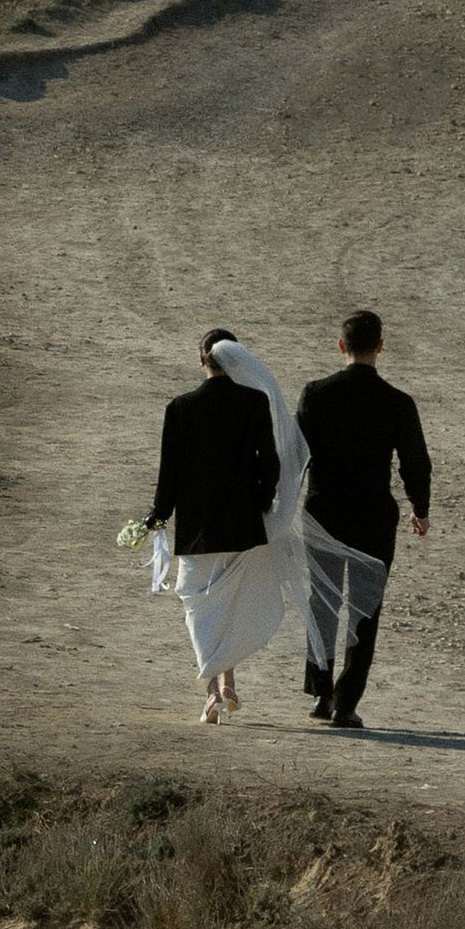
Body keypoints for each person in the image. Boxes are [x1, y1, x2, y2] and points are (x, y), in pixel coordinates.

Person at [141, 329, 309, 724]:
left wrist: (158, 515)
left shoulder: (179, 407)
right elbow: (270, 462)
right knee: (231, 603)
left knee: (199, 604)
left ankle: (214, 691)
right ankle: (227, 684)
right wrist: (265, 503)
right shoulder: (254, 401)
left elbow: (170, 473)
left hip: (198, 525)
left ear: (201, 360)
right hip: (243, 522)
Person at [296, 311, 431, 730]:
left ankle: (320, 692)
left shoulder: (315, 394)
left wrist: (279, 505)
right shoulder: (397, 402)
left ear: (341, 346)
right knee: (365, 610)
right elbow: (416, 463)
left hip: (324, 513)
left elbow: (296, 456)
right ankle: (345, 702)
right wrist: (420, 509)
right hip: (373, 516)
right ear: (380, 346)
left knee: (323, 602)